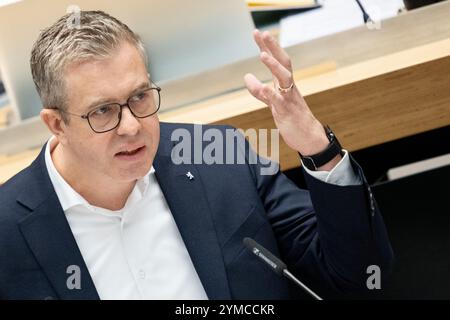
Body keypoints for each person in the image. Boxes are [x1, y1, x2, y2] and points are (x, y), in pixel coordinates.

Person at [0, 10, 393, 300]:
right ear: (56, 124)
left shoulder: (215, 157)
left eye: (140, 97)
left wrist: (317, 149)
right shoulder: (8, 228)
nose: (132, 126)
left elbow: (360, 276)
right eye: (103, 111)